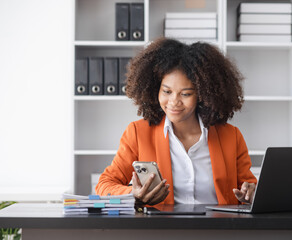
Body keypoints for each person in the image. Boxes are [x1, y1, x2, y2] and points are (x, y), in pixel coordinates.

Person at [95, 38, 257, 205]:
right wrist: (133, 193)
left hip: (218, 228)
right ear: (155, 89)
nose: (174, 101)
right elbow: (104, 185)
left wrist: (251, 193)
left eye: (185, 94)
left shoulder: (231, 136)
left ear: (203, 95)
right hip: (163, 229)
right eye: (167, 91)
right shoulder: (138, 133)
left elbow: (250, 188)